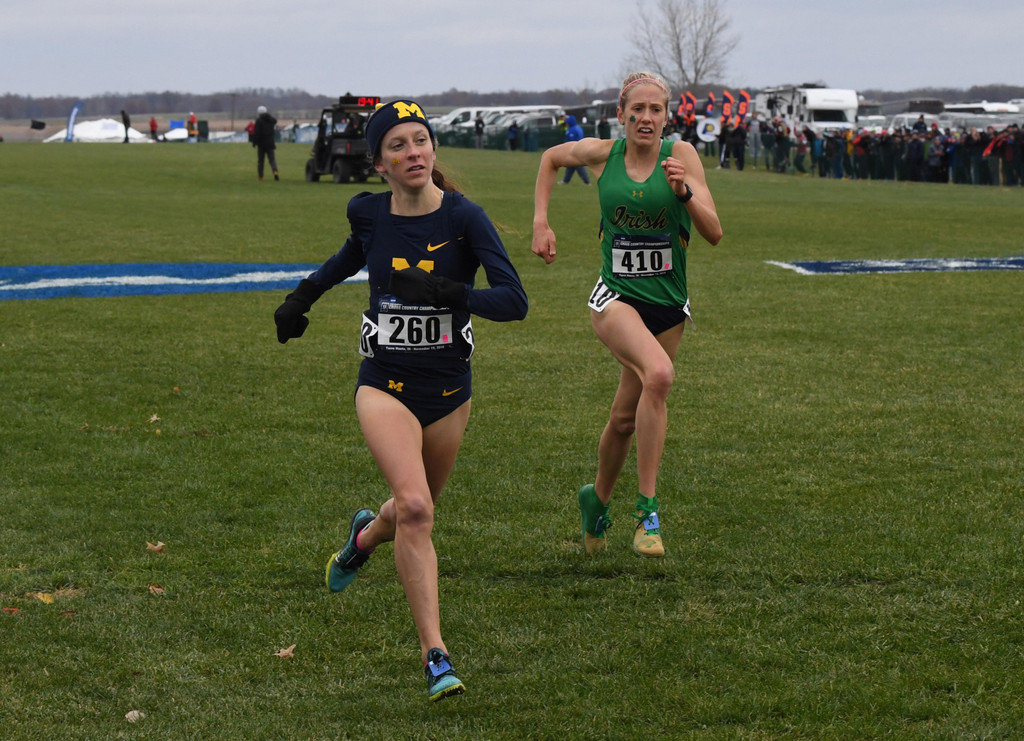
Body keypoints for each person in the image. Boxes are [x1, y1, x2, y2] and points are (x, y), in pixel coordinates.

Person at [273, 99, 528, 701]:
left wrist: (447, 292)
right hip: (383, 382)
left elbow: (514, 301)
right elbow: (343, 262)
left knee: (408, 511)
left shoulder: (466, 218)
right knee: (416, 508)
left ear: (433, 151)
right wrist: (298, 301)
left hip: (447, 391)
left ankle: (364, 536)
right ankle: (435, 655)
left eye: (421, 141)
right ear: (379, 162)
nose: (413, 153)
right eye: (398, 145)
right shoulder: (369, 215)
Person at [531, 72, 723, 558]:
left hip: (667, 305)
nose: (645, 118)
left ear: (667, 116)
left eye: (655, 109)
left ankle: (594, 500)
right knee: (659, 374)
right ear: (621, 115)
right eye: (636, 109)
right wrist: (541, 222)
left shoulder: (681, 158)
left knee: (623, 419)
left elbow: (715, 232)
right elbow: (552, 158)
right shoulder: (604, 156)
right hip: (614, 297)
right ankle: (647, 514)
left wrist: (684, 193)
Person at [558, 115, 590, 185]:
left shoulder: (572, 130)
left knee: (578, 166)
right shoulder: (578, 128)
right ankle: (566, 181)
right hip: (579, 149)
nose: (566, 124)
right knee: (570, 166)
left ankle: (587, 181)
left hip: (575, 150)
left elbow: (571, 141)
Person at [252, 105, 279, 181]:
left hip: (261, 144)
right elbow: (275, 121)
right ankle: (275, 171)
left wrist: (254, 142)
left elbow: (257, 133)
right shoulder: (271, 120)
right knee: (272, 160)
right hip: (270, 143)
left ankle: (261, 177)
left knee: (261, 161)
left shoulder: (259, 121)